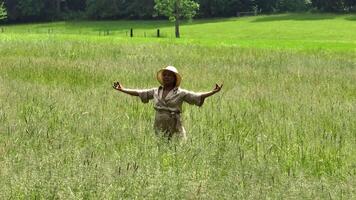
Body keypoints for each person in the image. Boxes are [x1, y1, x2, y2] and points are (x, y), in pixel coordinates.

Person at [113, 66, 222, 140]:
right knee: (161, 145)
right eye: (165, 75)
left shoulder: (180, 93)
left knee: (177, 145)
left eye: (169, 75)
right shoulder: (156, 91)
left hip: (174, 124)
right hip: (159, 124)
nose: (166, 77)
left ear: (174, 79)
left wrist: (212, 92)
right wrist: (122, 89)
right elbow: (139, 93)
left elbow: (197, 96)